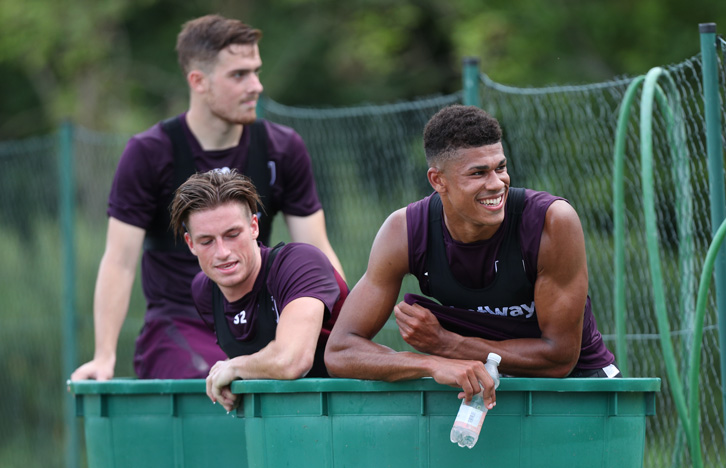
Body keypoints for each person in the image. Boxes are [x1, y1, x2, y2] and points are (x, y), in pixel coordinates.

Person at [71, 14, 344, 381]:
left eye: (256, 71)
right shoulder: (148, 153)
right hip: (179, 323)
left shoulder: (283, 148)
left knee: (307, 366)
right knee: (212, 384)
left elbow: (317, 246)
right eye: (239, 75)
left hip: (263, 315)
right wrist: (103, 356)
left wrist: (345, 331)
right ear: (198, 81)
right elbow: (119, 261)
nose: (256, 86)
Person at [325, 104, 619, 407]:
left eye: (500, 168)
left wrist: (448, 345)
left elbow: (559, 359)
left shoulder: (552, 221)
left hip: (580, 391)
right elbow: (340, 352)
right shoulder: (404, 231)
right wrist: (430, 364)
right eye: (478, 173)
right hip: (478, 392)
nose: (496, 184)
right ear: (438, 180)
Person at [169, 169, 347, 411]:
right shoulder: (203, 291)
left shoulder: (300, 264)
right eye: (207, 241)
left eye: (232, 235)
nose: (222, 252)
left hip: (348, 415)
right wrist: (234, 373)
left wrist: (233, 367)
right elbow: (259, 363)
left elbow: (292, 360)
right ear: (191, 244)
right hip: (277, 425)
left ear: (254, 226)